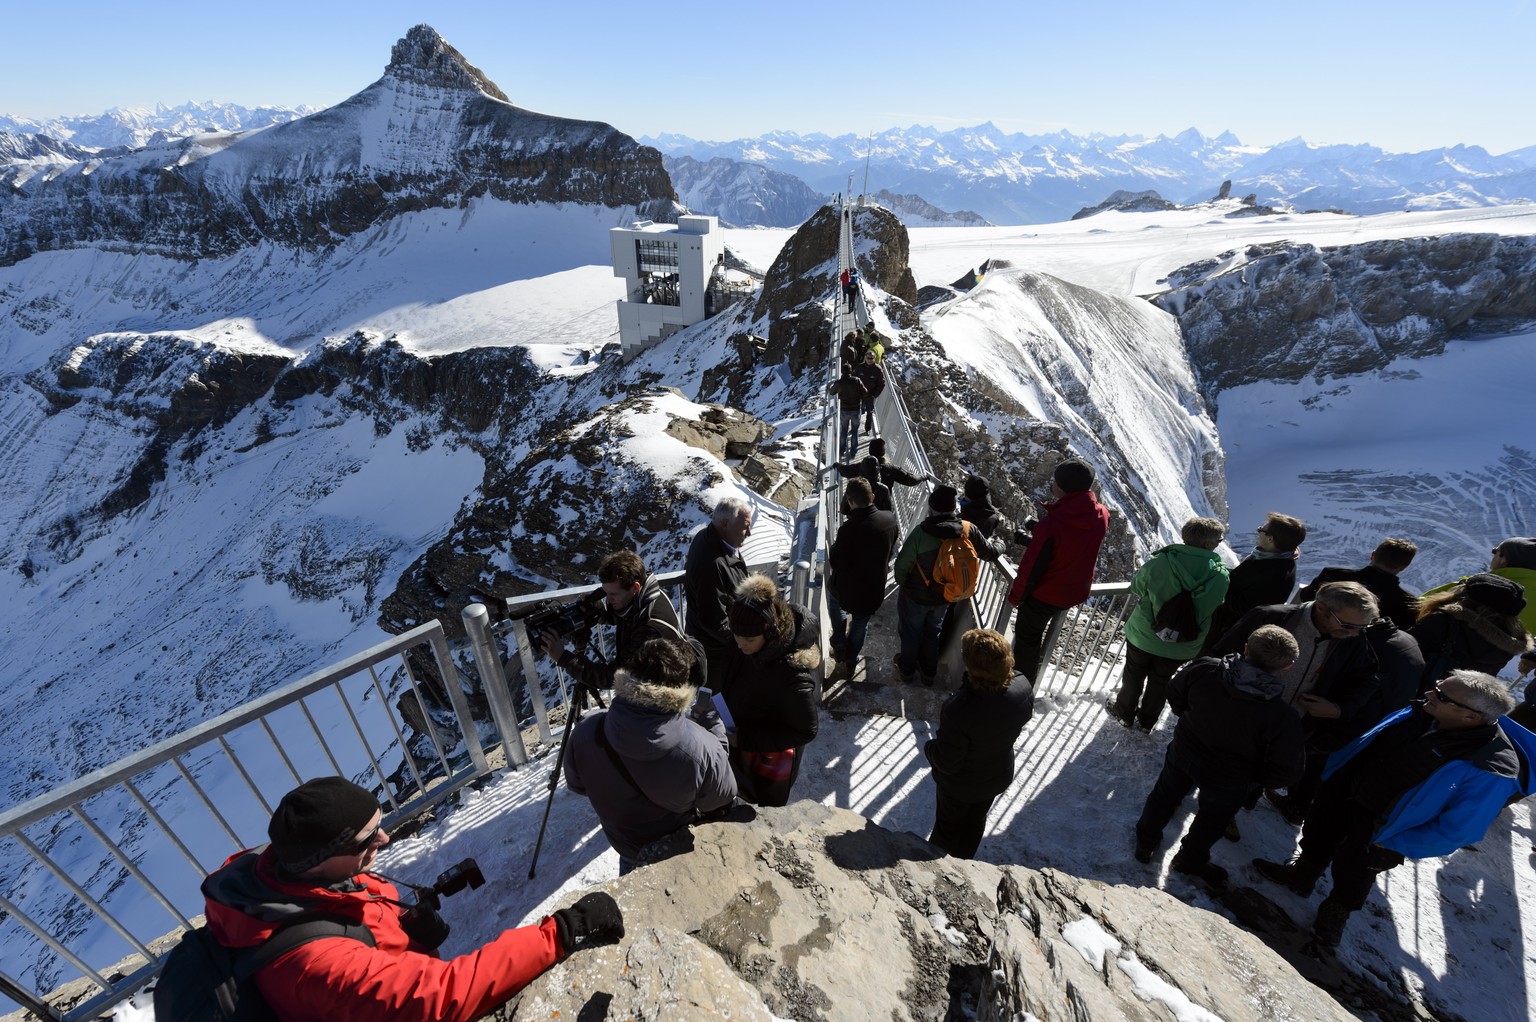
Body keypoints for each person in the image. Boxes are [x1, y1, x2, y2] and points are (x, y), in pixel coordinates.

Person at [200, 777, 623, 1022]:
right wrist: (562, 931)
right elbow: (442, 997)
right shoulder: (316, 965)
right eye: (369, 838)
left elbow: (353, 905)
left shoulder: (282, 867)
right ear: (324, 858)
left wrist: (408, 931)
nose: (385, 839)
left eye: (379, 823)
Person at [1252, 670, 1534, 951]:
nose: (1428, 694)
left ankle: (1336, 913)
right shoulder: (1424, 712)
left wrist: (1395, 844)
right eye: (1437, 686)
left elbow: (1458, 830)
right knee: (1318, 832)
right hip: (1347, 792)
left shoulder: (1492, 769)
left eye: (1441, 695)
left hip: (1383, 828)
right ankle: (1303, 874)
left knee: (1355, 872)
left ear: (1470, 716)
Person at [1133, 625, 1303, 885]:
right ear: (1288, 667)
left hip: (1185, 750)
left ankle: (1145, 842)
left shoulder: (1205, 669)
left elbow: (1175, 693)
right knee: (1212, 819)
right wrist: (1254, 778)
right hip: (1231, 776)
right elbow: (1287, 769)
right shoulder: (1282, 716)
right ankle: (1189, 860)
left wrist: (1188, 721)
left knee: (1165, 795)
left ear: (1246, 647)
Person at [1210, 582, 1382, 826]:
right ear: (1322, 608)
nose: (1356, 633)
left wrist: (1337, 709)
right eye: (1348, 625)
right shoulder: (1270, 617)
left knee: (1253, 775)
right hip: (1237, 718)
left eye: (1364, 627)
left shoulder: (1352, 636)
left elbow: (1367, 679)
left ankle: (1230, 810)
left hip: (1290, 729)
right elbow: (1219, 657)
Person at [565, 638, 736, 874]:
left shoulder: (587, 729)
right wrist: (714, 730)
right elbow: (719, 797)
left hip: (625, 846)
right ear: (682, 689)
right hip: (677, 851)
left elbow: (577, 785)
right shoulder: (701, 746)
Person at [1108, 517, 1231, 732]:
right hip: (1182, 644)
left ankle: (1124, 714)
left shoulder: (1160, 562)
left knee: (1133, 675)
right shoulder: (1220, 577)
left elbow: (1137, 587)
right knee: (1161, 681)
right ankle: (1147, 722)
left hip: (1144, 635)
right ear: (1208, 544)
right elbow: (1213, 606)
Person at [923, 629, 1035, 858]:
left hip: (960, 786)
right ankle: (965, 862)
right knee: (975, 823)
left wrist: (930, 749)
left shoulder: (960, 709)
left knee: (947, 830)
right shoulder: (1022, 687)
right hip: (996, 775)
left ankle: (932, 867)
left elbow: (948, 762)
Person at [717, 573, 823, 806]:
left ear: (770, 632)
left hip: (764, 754)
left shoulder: (791, 673)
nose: (740, 644)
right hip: (742, 739)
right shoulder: (747, 639)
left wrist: (745, 739)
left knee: (762, 802)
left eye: (749, 639)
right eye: (736, 636)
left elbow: (806, 730)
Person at [1005, 459, 1111, 684]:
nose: (1052, 483)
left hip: (1045, 595)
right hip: (1075, 591)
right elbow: (1072, 541)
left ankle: (1021, 689)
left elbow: (1031, 568)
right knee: (1038, 638)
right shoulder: (1101, 514)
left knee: (1027, 642)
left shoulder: (1052, 525)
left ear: (1062, 487)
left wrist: (1015, 597)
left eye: (1055, 481)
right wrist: (1037, 531)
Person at [539, 550, 692, 690]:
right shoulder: (645, 595)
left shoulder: (649, 628)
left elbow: (613, 677)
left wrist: (563, 658)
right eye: (605, 592)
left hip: (659, 697)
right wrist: (597, 611)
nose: (608, 599)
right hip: (648, 684)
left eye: (613, 594)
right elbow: (622, 614)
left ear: (635, 587)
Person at [893, 485, 973, 688]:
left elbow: (902, 564)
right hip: (944, 596)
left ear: (931, 508)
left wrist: (903, 583)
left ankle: (907, 670)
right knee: (932, 633)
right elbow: (986, 550)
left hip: (916, 596)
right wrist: (1000, 547)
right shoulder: (965, 529)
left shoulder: (921, 533)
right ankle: (929, 673)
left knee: (911, 633)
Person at [1201, 512, 1307, 655]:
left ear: (1270, 539)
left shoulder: (1276, 573)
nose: (1258, 532)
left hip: (1227, 636)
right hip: (1224, 629)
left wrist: (1219, 583)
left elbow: (1246, 607)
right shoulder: (1271, 557)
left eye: (1261, 530)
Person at [1409, 572, 1532, 692]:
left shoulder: (1443, 621)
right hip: (1457, 707)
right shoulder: (1508, 644)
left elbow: (1404, 653)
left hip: (1417, 695)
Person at [827, 478, 899, 681]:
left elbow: (837, 562)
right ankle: (851, 661)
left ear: (849, 501)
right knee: (860, 623)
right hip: (873, 590)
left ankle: (839, 643)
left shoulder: (848, 529)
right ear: (873, 497)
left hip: (847, 589)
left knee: (835, 602)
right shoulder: (889, 519)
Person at [684, 497, 752, 685]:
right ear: (724, 524)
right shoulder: (712, 564)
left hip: (716, 650)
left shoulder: (713, 539)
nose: (750, 533)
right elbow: (713, 621)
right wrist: (746, 644)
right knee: (719, 706)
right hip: (716, 656)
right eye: (745, 526)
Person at [1296, 537, 1420, 628]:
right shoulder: (1408, 602)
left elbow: (1305, 597)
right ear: (1404, 566)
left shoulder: (1332, 574)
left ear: (1372, 555)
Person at [826, 436, 931, 512]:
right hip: (883, 507)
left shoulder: (862, 466)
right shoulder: (891, 469)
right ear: (883, 452)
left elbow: (846, 470)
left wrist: (837, 465)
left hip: (862, 506)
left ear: (870, 451)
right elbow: (911, 480)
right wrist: (923, 476)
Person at [829, 362, 868, 457]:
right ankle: (853, 451)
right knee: (855, 431)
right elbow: (865, 392)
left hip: (844, 410)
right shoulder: (857, 380)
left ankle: (841, 450)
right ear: (851, 371)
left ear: (842, 372)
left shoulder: (839, 382)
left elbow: (831, 392)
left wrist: (831, 386)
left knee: (844, 430)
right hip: (855, 409)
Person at [853, 351, 885, 434]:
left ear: (874, 359)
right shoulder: (859, 367)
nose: (870, 360)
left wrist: (875, 395)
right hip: (859, 394)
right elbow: (853, 379)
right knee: (857, 411)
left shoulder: (878, 370)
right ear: (865, 358)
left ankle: (867, 429)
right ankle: (854, 428)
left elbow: (881, 384)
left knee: (869, 413)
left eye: (872, 358)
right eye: (868, 358)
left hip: (870, 395)